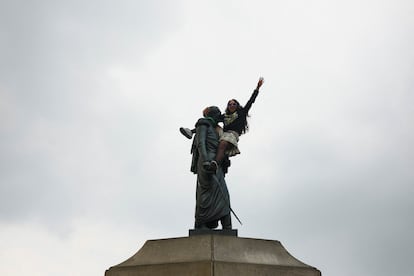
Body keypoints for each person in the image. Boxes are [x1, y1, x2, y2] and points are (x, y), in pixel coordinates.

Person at [181, 77, 264, 171]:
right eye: (230, 104)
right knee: (211, 123)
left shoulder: (241, 113)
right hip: (223, 133)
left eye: (234, 104)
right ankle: (191, 132)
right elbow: (213, 119)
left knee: (223, 144)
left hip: (232, 134)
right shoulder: (224, 116)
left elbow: (251, 101)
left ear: (237, 105)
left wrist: (257, 88)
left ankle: (215, 163)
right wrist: (207, 111)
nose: (232, 105)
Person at [191, 106, 232, 229]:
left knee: (222, 193)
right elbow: (201, 143)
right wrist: (205, 160)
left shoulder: (216, 129)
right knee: (206, 194)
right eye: (218, 113)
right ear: (213, 114)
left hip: (215, 163)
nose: (220, 115)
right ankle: (202, 223)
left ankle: (227, 225)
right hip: (207, 162)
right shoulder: (203, 124)